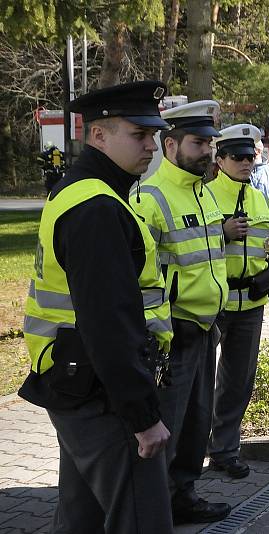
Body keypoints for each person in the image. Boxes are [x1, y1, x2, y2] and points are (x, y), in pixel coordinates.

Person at [19, 81, 174, 533]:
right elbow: (110, 324)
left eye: (154, 134)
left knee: (81, 518)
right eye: (139, 134)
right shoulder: (96, 207)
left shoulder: (84, 192)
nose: (152, 144)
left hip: (77, 380)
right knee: (142, 519)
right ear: (98, 136)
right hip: (103, 392)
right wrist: (144, 418)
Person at [130, 100, 231, 524]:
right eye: (198, 143)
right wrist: (160, 332)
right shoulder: (150, 197)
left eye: (209, 143)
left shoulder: (203, 191)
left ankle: (182, 495)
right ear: (170, 145)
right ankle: (153, 508)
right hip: (174, 331)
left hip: (206, 328)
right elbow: (139, 278)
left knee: (196, 421)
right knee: (166, 425)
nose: (207, 151)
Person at [207, 124, 269, 478]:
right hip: (211, 305)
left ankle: (225, 451)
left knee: (238, 382)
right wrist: (219, 234)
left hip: (251, 306)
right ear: (220, 159)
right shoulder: (205, 197)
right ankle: (185, 457)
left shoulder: (261, 201)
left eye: (250, 156)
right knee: (195, 385)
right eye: (237, 157)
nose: (246, 163)